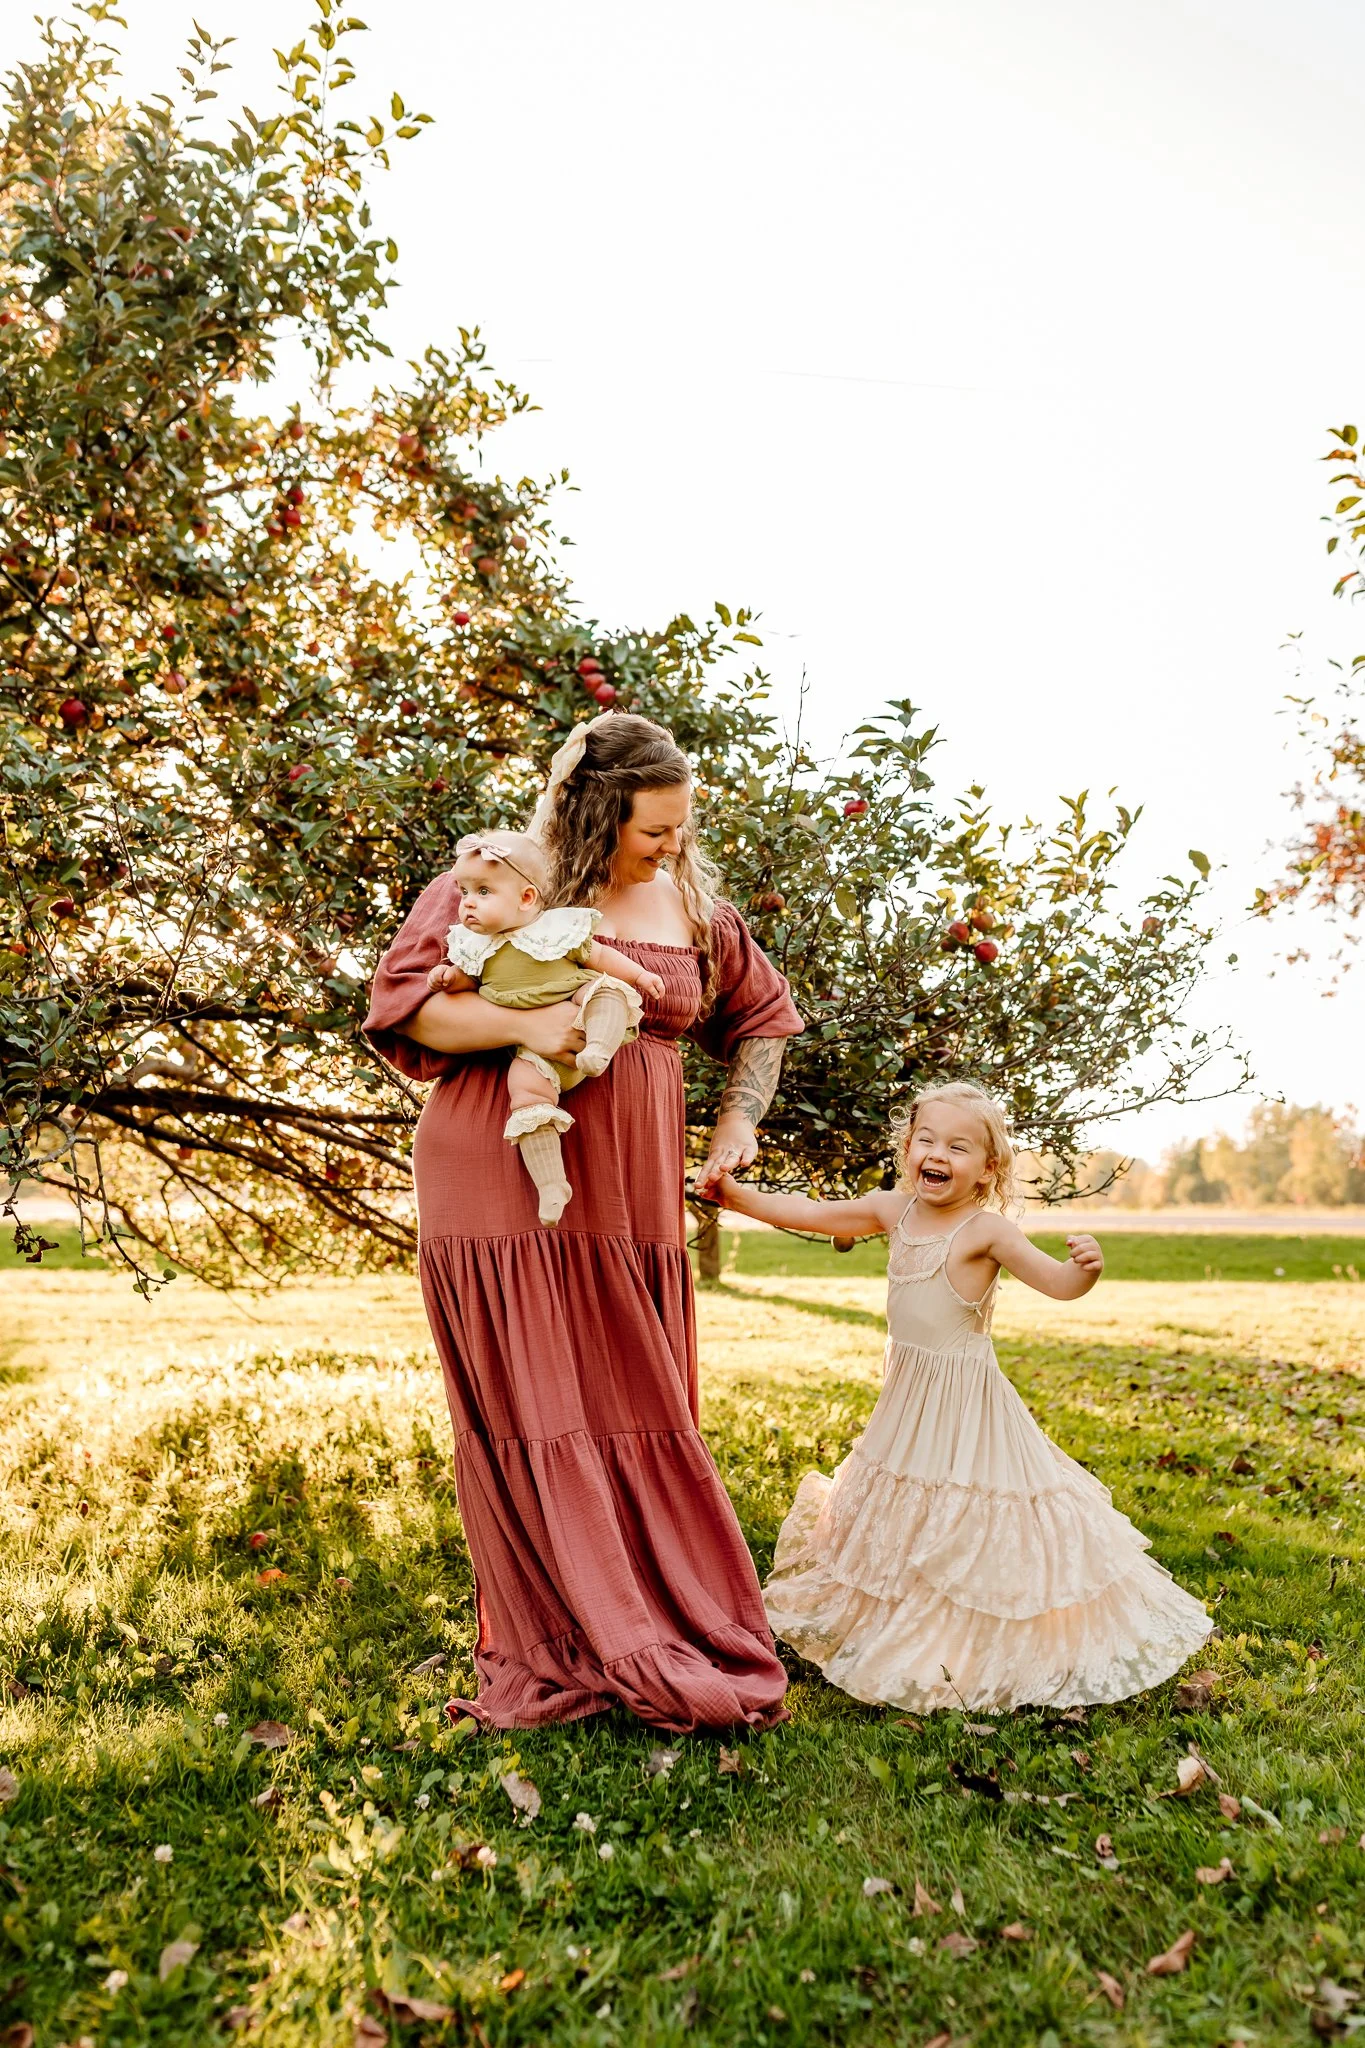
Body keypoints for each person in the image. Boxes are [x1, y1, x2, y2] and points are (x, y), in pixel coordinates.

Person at [362, 711, 803, 1731]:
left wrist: (737, 1120)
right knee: (535, 1402)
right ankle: (561, 1624)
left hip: (633, 1198)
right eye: (655, 830)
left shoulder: (692, 904)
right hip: (504, 1173)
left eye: (682, 824)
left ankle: (651, 1604)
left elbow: (764, 1016)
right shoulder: (496, 880)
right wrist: (528, 1023)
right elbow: (405, 1005)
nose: (674, 845)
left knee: (636, 1393)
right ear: (595, 815)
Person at [715, 1081, 1212, 1712]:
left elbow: (1057, 1284)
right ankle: (890, 1626)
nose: (937, 1153)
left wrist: (1085, 1270)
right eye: (926, 1139)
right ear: (908, 1147)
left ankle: (973, 1637)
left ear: (988, 1169)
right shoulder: (892, 1211)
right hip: (907, 1400)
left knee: (968, 1505)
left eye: (957, 1146)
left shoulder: (988, 1232)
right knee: (900, 1501)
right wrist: (733, 1195)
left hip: (966, 1406)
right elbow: (810, 1214)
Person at [425, 829, 665, 1226]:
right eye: (464, 891)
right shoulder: (474, 946)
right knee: (525, 1095)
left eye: (483, 891)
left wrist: (640, 976)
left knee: (603, 991)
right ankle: (552, 1183)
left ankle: (598, 1050)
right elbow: (470, 982)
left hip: (573, 1003)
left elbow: (600, 956)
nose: (467, 902)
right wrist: (448, 978)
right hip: (533, 1051)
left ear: (526, 898)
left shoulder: (555, 930)